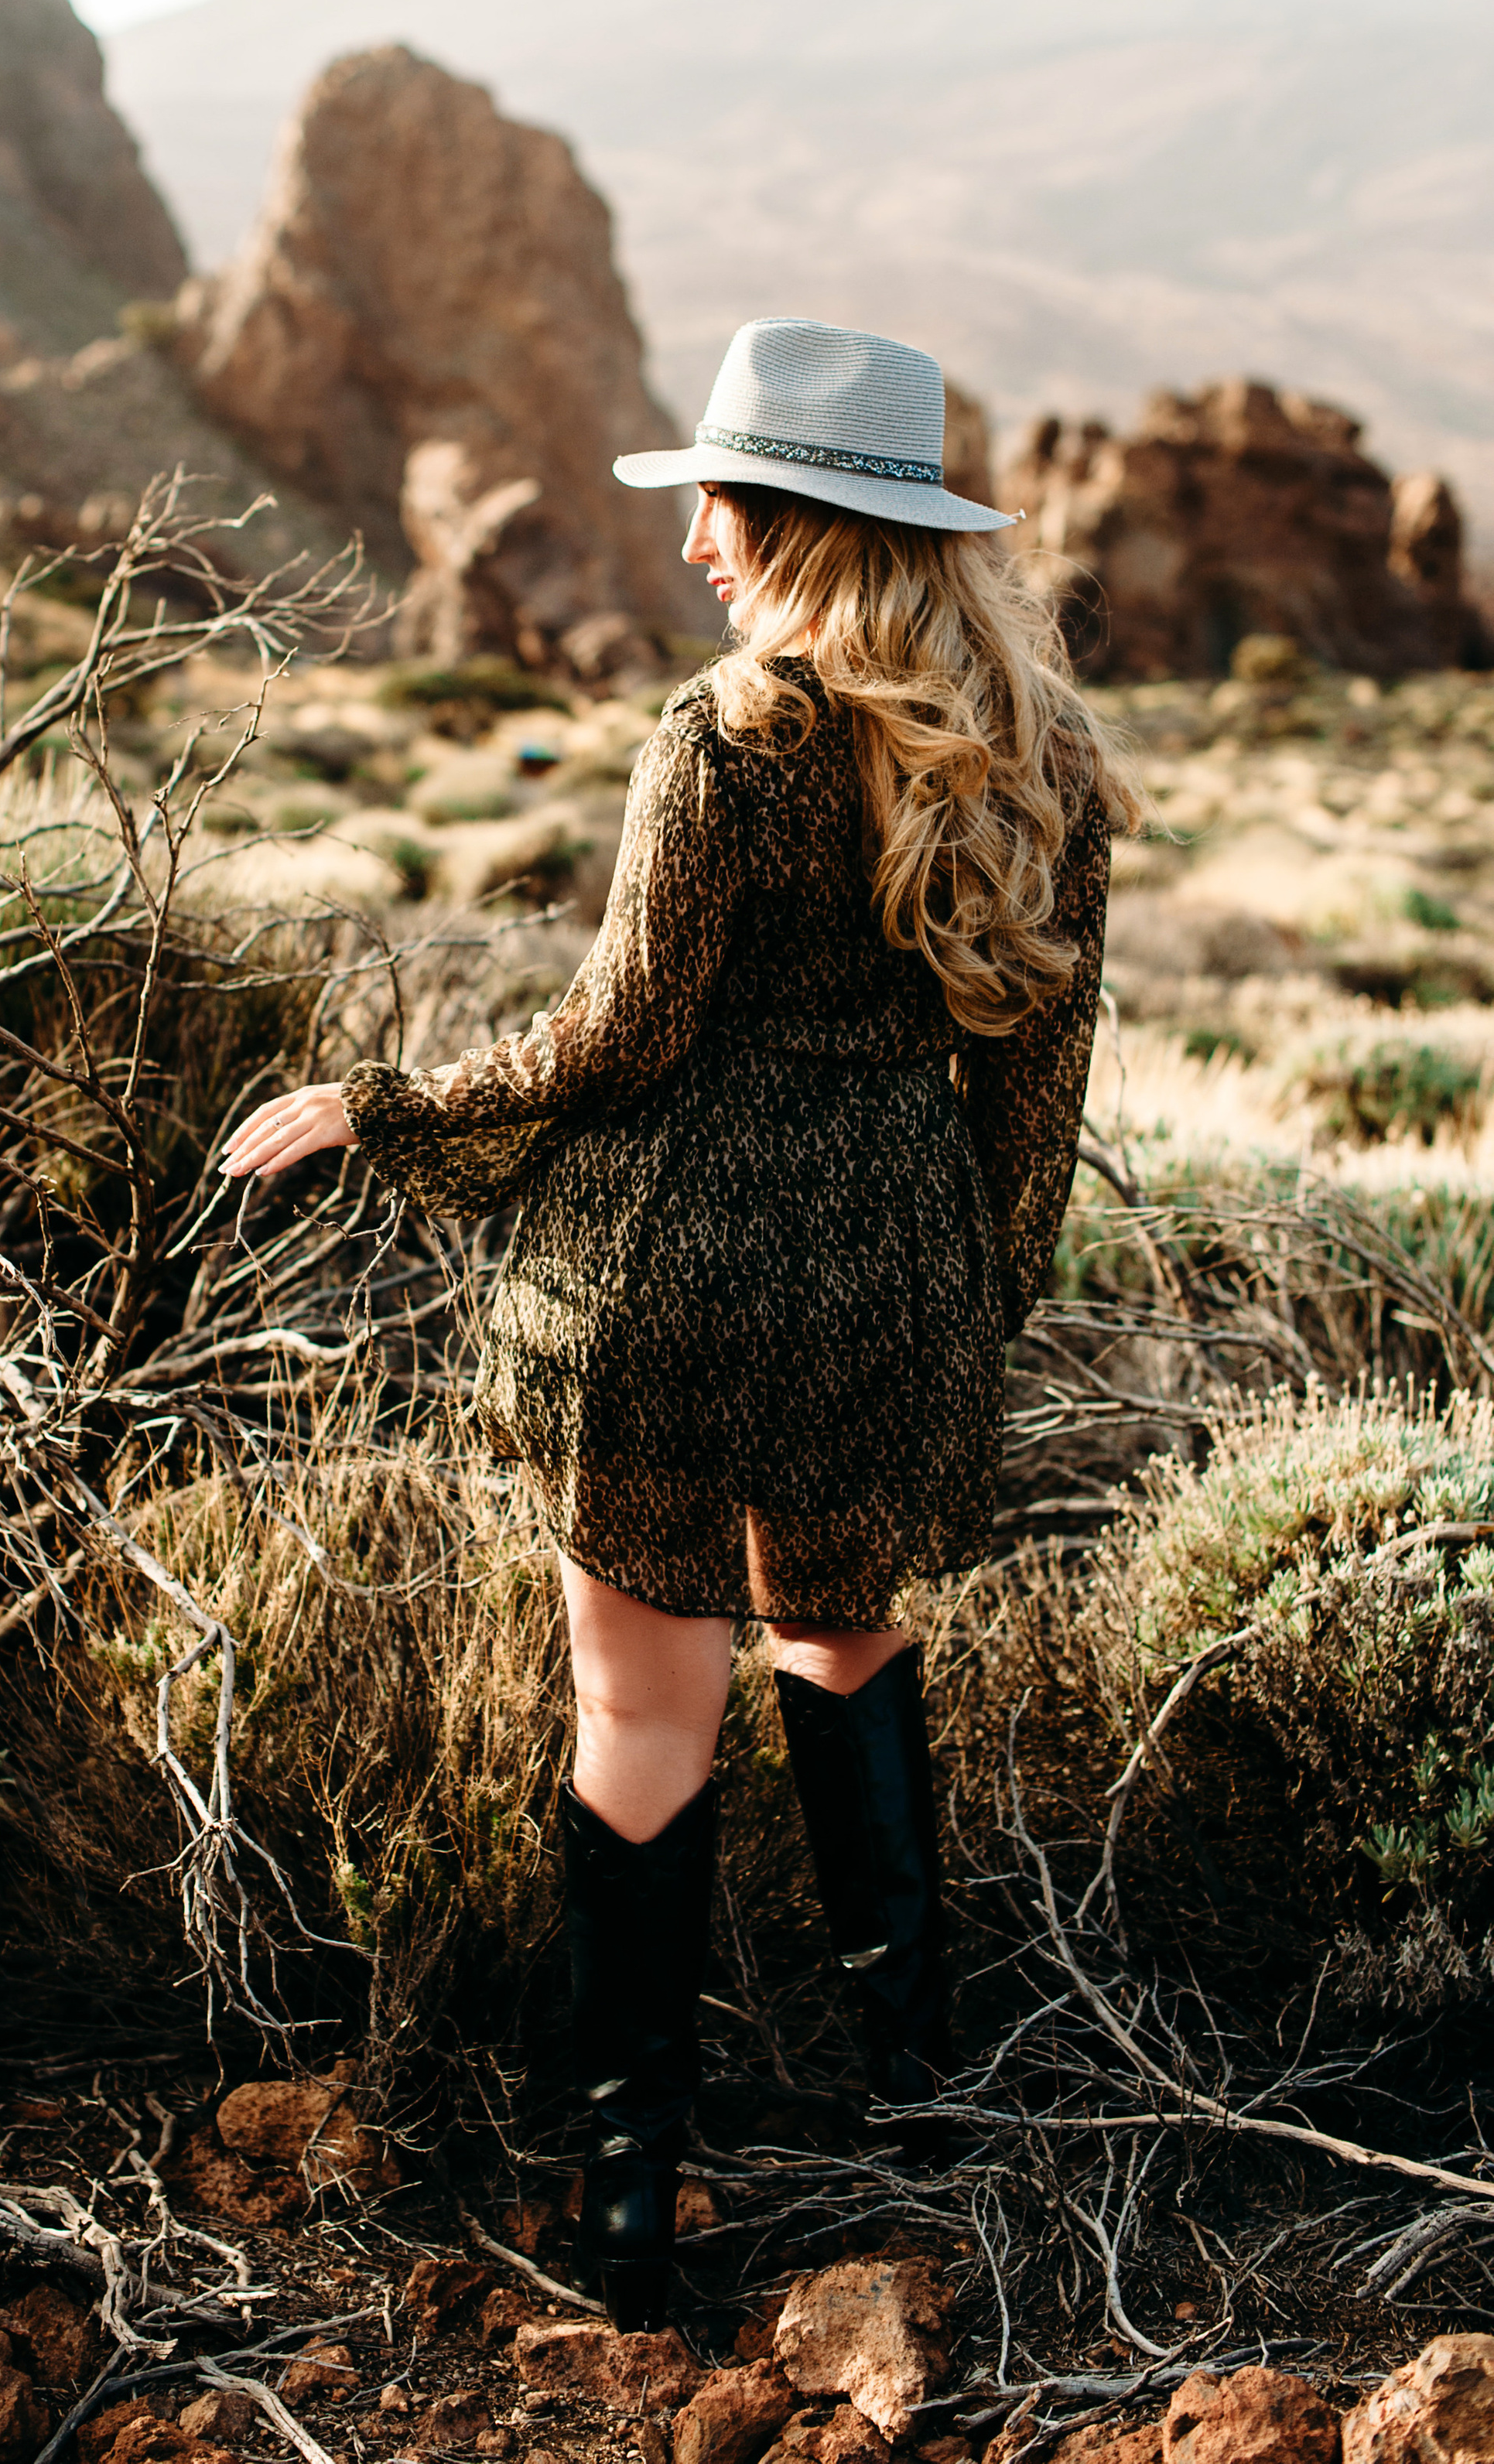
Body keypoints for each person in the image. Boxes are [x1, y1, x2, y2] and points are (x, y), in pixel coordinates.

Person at [223, 319, 1142, 2331]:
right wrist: (968, 1310)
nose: (698, 541)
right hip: (884, 1287)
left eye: (721, 503)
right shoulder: (1047, 765)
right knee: (844, 1635)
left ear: (797, 522)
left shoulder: (727, 741)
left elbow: (617, 1038)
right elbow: (1037, 1102)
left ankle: (632, 2198)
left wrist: (390, 1104)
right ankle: (922, 2115)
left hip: (665, 1285)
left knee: (642, 1712)